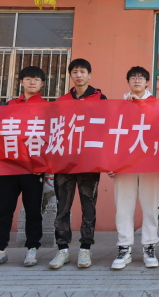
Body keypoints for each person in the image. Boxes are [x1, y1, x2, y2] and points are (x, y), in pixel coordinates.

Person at [0, 66, 48, 270]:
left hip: (33, 169)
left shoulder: (48, 108)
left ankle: (32, 248)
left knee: (33, 210)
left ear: (42, 84)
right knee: (3, 209)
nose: (32, 82)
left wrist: (45, 165)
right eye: (28, 79)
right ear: (21, 82)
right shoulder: (8, 106)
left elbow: (52, 138)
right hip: (8, 167)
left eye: (36, 79)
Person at [49, 58, 107, 270]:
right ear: (71, 75)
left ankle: (85, 248)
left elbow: (107, 129)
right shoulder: (61, 101)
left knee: (88, 205)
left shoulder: (100, 99)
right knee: (62, 207)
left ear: (89, 74)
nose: (79, 75)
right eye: (75, 72)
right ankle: (62, 249)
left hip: (89, 162)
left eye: (83, 71)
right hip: (64, 162)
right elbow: (53, 130)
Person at [108, 66, 159, 270]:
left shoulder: (157, 105)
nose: (137, 80)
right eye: (133, 77)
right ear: (128, 82)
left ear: (147, 82)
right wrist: (110, 162)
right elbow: (110, 134)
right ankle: (124, 248)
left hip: (150, 163)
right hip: (124, 163)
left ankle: (149, 246)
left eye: (141, 78)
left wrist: (141, 106)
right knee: (123, 206)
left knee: (151, 207)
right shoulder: (118, 106)